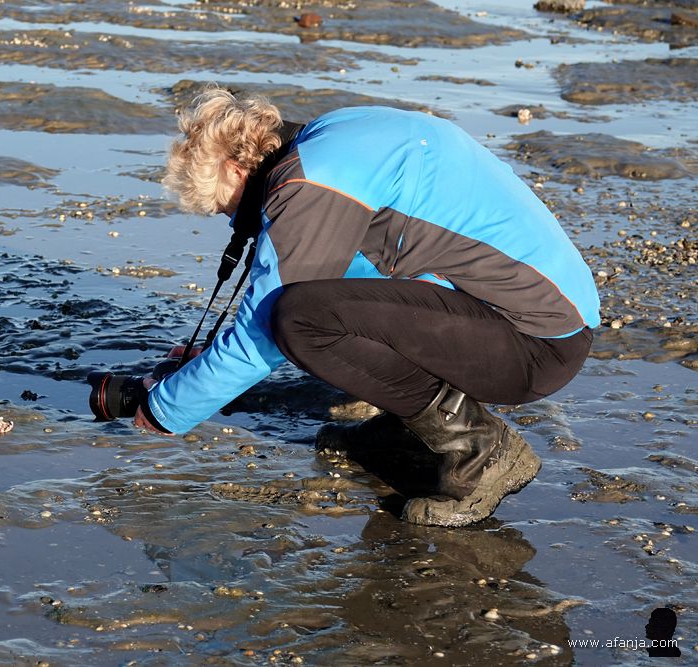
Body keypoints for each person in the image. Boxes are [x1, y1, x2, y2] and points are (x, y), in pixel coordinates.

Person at [134, 86, 599, 527]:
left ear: (237, 170)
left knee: (298, 319)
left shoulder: (310, 179)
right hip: (538, 318)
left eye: (226, 208)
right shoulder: (335, 136)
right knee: (314, 310)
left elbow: (267, 328)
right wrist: (211, 360)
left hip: (534, 342)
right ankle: (412, 435)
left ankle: (480, 448)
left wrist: (163, 409)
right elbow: (352, 276)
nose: (237, 221)